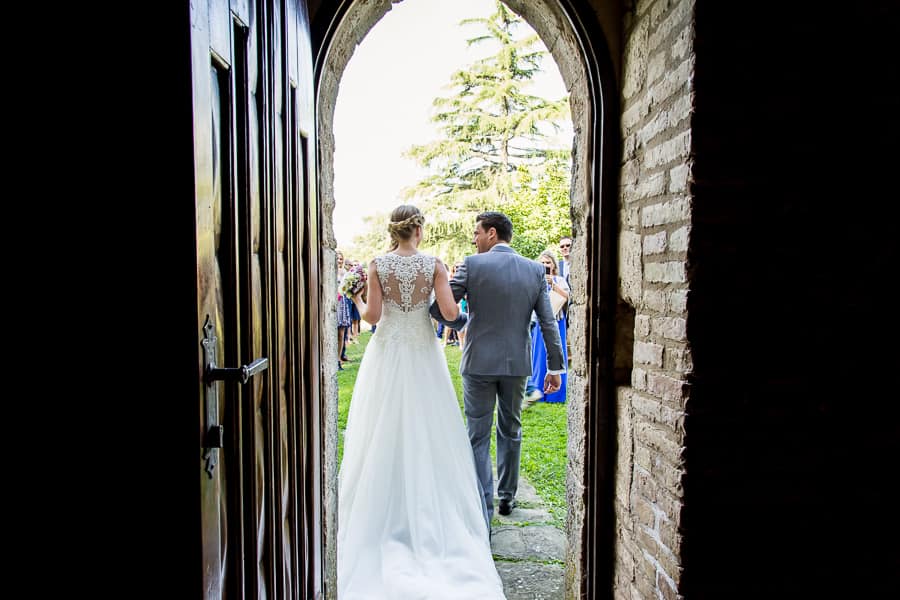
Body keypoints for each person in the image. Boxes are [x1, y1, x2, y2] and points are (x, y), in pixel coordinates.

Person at [338, 205, 505, 599]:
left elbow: (373, 318)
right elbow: (449, 312)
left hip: (387, 354)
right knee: (430, 431)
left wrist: (359, 299)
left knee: (381, 430)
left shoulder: (378, 264)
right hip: (422, 354)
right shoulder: (435, 265)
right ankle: (431, 519)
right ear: (418, 228)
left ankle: (381, 513)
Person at [430, 211, 565, 526]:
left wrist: (466, 321)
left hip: (478, 362)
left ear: (492, 233)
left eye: (477, 232)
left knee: (477, 433)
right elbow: (548, 321)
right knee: (511, 429)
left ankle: (481, 500)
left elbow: (441, 309)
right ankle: (507, 497)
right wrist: (555, 368)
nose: (474, 239)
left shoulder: (471, 265)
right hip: (517, 364)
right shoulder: (534, 270)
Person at [524, 251, 570, 407]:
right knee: (539, 356)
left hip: (557, 322)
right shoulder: (534, 281)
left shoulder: (560, 280)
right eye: (542, 263)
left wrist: (553, 285)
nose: (545, 266)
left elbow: (568, 297)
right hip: (539, 322)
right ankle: (538, 390)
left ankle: (556, 393)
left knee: (556, 354)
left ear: (553, 265)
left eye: (548, 263)